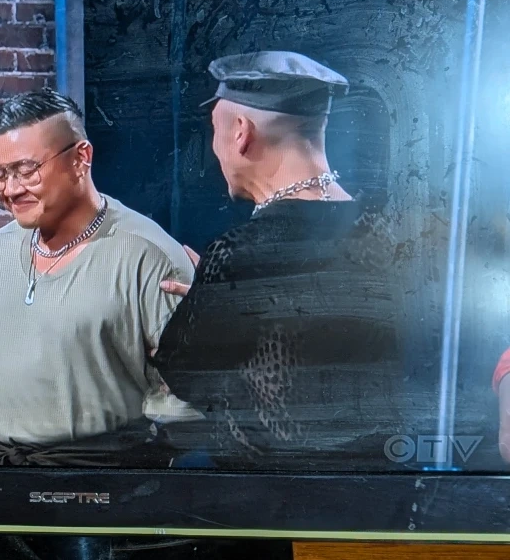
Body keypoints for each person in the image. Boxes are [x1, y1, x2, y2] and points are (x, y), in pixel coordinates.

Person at [150, 51, 409, 470]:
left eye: (215, 131)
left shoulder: (239, 251)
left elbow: (184, 373)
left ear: (240, 131)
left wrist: (210, 293)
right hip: (379, 481)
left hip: (270, 491)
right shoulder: (389, 237)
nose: (215, 150)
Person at [0, 88, 201, 467]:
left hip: (112, 481)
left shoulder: (150, 257)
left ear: (80, 158)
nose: (10, 189)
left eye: (26, 170)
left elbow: (188, 408)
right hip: (9, 481)